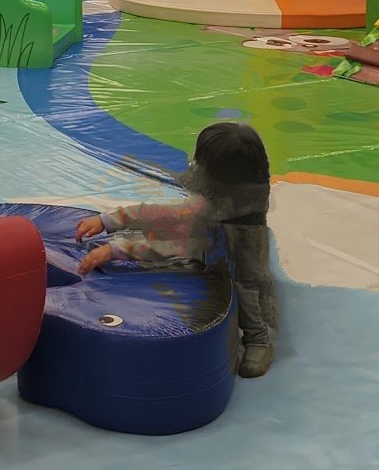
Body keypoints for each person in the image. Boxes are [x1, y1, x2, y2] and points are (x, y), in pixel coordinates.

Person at [75, 121, 278, 378]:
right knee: (179, 226)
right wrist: (110, 220)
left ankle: (259, 339)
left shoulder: (235, 219)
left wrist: (115, 250)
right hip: (217, 228)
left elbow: (175, 247)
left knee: (246, 282)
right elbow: (167, 216)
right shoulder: (214, 199)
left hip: (239, 249)